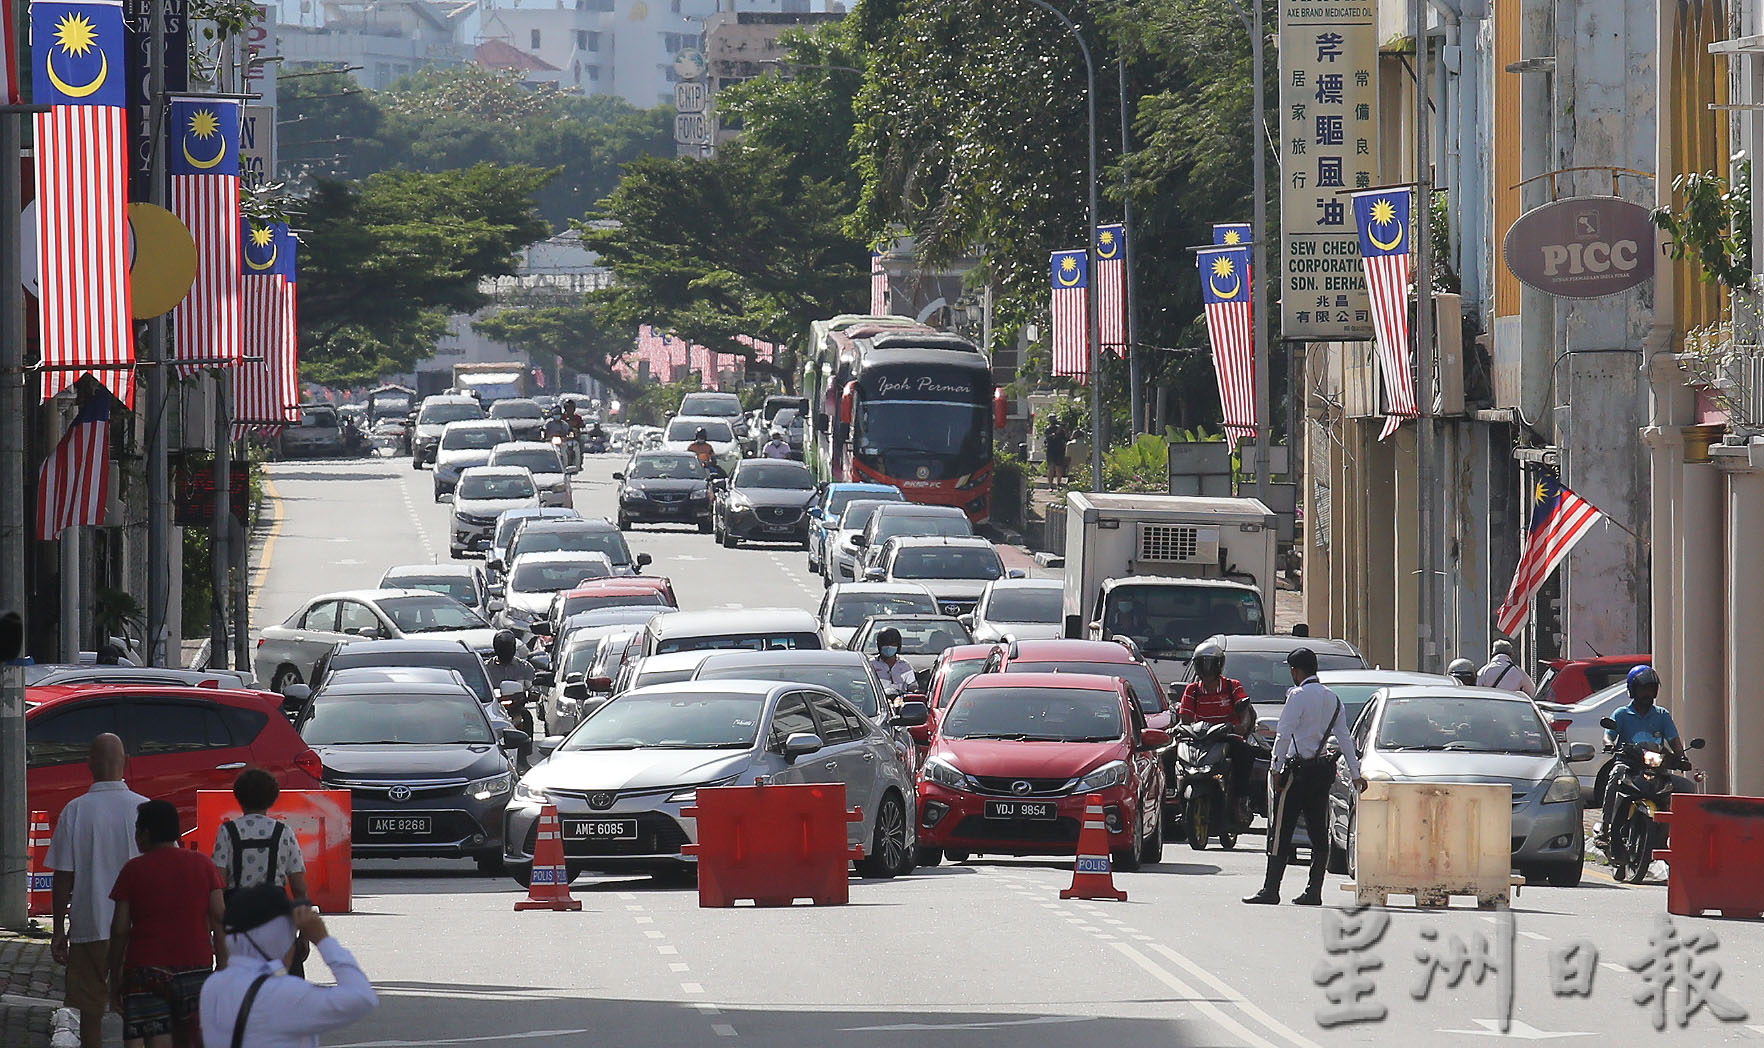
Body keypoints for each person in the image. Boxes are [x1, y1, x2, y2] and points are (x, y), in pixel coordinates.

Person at [45, 734, 148, 1048]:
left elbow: (63, 877)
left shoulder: (75, 811)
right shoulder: (145, 809)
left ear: (89, 764)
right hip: (137, 929)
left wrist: (59, 929)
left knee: (90, 1012)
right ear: (127, 763)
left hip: (89, 926)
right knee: (136, 1010)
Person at [1244, 648, 1367, 907]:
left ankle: (1271, 889)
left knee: (1281, 831)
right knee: (1318, 832)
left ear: (1295, 671)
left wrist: (1276, 769)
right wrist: (1356, 774)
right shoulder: (1332, 698)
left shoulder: (1298, 696)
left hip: (1296, 772)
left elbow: (1283, 734)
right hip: (1320, 772)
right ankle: (1314, 890)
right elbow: (1345, 739)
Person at [109, 800, 227, 1048]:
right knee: (192, 1038)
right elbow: (219, 917)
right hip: (196, 967)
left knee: (155, 1037)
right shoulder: (203, 865)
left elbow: (119, 929)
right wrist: (224, 966)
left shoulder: (133, 870)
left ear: (146, 834)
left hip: (145, 970)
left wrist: (116, 975)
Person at [199, 885, 379, 1048]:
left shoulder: (213, 985)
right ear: (278, 939)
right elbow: (362, 997)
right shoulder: (284, 994)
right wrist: (323, 939)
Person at [211, 770, 310, 975]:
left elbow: (217, 884)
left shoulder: (227, 831)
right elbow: (299, 888)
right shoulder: (283, 832)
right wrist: (304, 935)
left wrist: (216, 932)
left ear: (238, 797)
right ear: (273, 798)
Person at [1595, 666, 1691, 849]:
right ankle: (1606, 828)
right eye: (1643, 688)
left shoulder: (1662, 715)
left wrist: (1682, 757)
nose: (1647, 693)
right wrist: (1608, 743)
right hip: (1629, 765)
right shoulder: (1622, 714)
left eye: (1651, 688)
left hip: (1656, 767)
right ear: (1632, 689)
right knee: (1615, 776)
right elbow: (1609, 734)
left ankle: (1680, 837)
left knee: (1688, 788)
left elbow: (1674, 740)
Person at [1177, 640, 1254, 821]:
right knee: (1171, 755)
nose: (1206, 669)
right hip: (1199, 739)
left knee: (1245, 754)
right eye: (1202, 664)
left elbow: (1244, 711)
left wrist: (1241, 726)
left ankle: (1239, 802)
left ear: (1219, 664)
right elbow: (1185, 718)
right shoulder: (1192, 690)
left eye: (1210, 664)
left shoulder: (1232, 686)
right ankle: (1174, 800)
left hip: (1226, 737)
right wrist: (1180, 730)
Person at [870, 627, 917, 693]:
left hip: (899, 701)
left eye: (893, 645)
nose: (889, 648)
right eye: (885, 645)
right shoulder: (871, 665)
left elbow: (912, 686)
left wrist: (914, 690)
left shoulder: (905, 665)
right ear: (879, 646)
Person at [1043, 417, 1070, 484]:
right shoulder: (1048, 429)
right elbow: (1048, 438)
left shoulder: (1061, 430)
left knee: (1059, 468)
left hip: (1059, 450)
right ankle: (1050, 484)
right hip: (1051, 450)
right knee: (1051, 468)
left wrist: (1065, 430)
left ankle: (1058, 483)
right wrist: (1056, 432)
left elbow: (1066, 438)